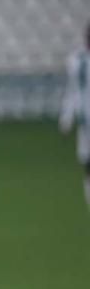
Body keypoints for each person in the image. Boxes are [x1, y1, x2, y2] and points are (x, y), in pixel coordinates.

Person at [59, 22, 90, 210]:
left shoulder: (76, 61)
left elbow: (72, 92)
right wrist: (66, 118)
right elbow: (73, 92)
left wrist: (66, 120)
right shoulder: (77, 61)